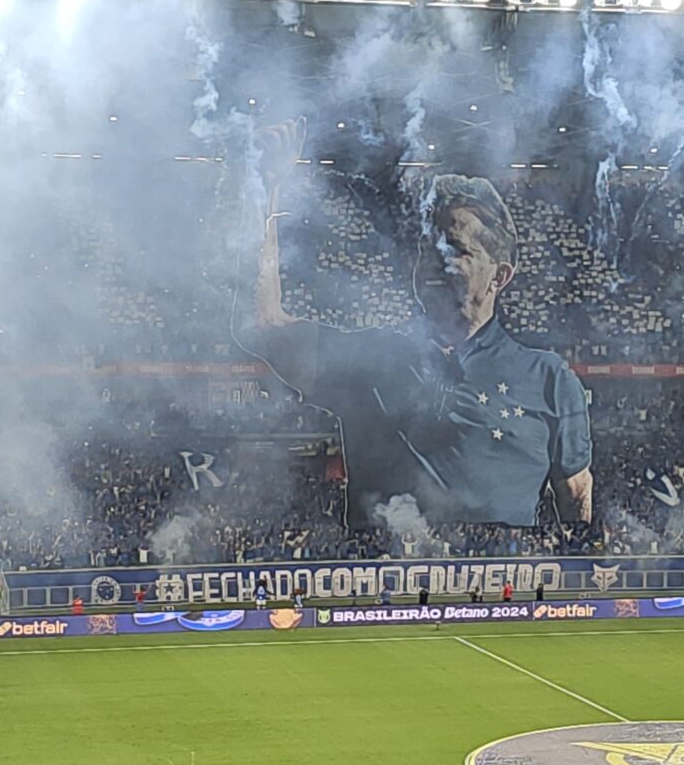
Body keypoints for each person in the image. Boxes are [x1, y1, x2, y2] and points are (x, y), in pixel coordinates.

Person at [237, 119, 593, 528]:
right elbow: (263, 325)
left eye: (455, 249)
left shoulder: (548, 378)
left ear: (500, 275)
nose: (435, 261)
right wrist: (264, 193)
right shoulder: (370, 358)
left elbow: (577, 495)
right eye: (429, 247)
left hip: (501, 587)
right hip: (383, 587)